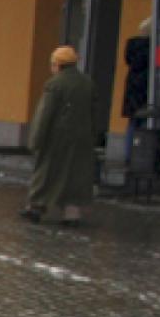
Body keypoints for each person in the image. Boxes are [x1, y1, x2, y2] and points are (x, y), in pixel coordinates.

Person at [22, 46, 96, 227]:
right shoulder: (88, 83)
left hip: (57, 138)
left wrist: (35, 140)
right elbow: (94, 113)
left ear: (57, 65)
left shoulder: (54, 85)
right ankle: (72, 214)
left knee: (47, 172)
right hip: (82, 138)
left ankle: (36, 208)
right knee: (75, 175)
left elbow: (44, 115)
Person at [121, 20, 151, 166]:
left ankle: (129, 154)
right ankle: (142, 155)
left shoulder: (132, 46)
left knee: (133, 123)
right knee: (145, 122)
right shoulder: (151, 47)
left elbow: (129, 61)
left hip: (132, 88)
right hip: (146, 88)